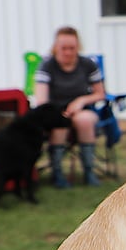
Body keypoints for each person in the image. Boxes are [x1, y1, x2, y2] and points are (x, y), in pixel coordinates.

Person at [32, 26, 106, 188]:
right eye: (63, 48)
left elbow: (100, 93)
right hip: (55, 112)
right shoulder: (46, 66)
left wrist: (80, 101)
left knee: (85, 120)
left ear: (77, 47)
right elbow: (42, 101)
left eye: (72, 48)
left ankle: (89, 171)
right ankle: (57, 173)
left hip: (83, 110)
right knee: (60, 125)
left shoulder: (88, 64)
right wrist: (61, 112)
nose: (68, 52)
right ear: (55, 47)